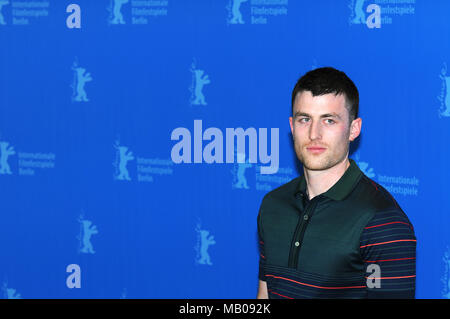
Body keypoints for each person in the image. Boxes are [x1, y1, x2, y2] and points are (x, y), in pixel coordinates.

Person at [256, 67, 416, 299]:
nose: (314, 134)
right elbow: (266, 295)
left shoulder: (382, 221)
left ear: (354, 129)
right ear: (292, 127)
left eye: (328, 120)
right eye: (304, 119)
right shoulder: (273, 205)